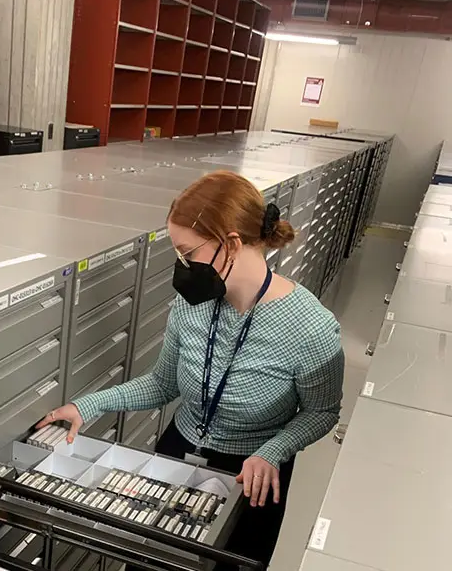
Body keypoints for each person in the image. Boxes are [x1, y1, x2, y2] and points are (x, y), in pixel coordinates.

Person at [37, 171, 344, 569]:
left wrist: (274, 452)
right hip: (176, 454)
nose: (182, 265)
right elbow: (163, 383)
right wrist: (88, 406)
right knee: (150, 560)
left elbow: (323, 411)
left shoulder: (311, 327)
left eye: (188, 252)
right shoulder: (194, 303)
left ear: (231, 244)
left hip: (251, 477)